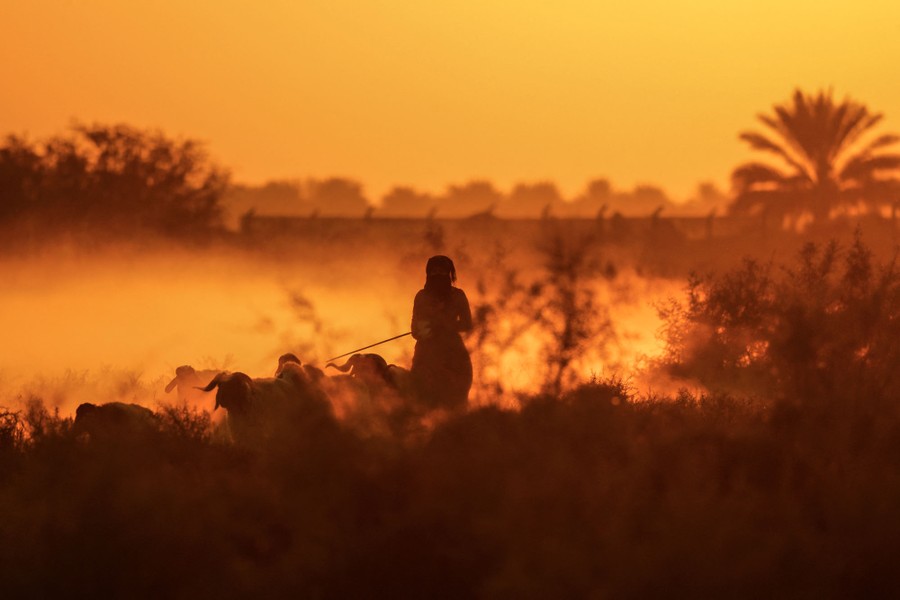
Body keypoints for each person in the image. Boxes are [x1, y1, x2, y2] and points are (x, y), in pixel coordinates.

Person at [410, 255, 473, 410]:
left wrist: (446, 326)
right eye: (433, 271)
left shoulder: (458, 296)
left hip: (452, 347)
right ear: (428, 273)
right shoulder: (421, 296)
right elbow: (414, 329)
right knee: (418, 392)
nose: (437, 274)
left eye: (442, 271)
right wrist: (424, 330)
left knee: (458, 392)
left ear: (449, 273)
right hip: (426, 349)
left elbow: (467, 324)